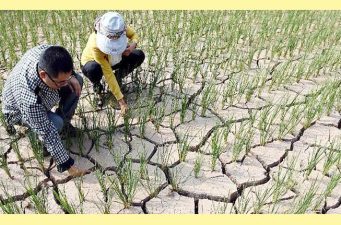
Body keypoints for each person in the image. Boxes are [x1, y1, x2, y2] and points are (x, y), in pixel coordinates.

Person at [1, 45, 88, 177]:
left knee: (77, 81)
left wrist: (71, 77)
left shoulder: (47, 53)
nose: (64, 84)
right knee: (55, 124)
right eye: (60, 82)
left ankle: (65, 125)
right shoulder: (29, 97)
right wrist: (69, 166)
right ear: (43, 75)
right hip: (17, 112)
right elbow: (47, 132)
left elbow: (64, 68)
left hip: (42, 94)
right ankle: (38, 143)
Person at [81, 11, 145, 112]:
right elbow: (108, 73)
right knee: (93, 69)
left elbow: (133, 35)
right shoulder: (95, 44)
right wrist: (122, 102)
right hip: (94, 63)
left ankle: (118, 77)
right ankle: (98, 90)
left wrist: (132, 46)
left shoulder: (118, 28)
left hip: (114, 59)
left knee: (139, 55)